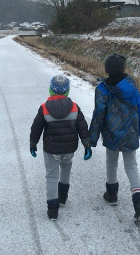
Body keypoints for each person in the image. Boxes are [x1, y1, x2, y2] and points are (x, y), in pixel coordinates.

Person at [89, 53, 140, 222]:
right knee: (131, 165)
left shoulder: (102, 89)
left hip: (111, 133)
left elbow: (99, 114)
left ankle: (111, 194)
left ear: (106, 70)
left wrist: (92, 137)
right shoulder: (131, 85)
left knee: (111, 162)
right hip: (131, 132)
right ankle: (139, 203)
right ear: (124, 69)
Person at [30, 74, 92, 220]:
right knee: (66, 167)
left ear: (51, 90)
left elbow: (36, 128)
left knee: (51, 176)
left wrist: (33, 143)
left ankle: (52, 209)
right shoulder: (75, 108)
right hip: (69, 149)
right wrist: (87, 145)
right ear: (67, 91)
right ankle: (63, 197)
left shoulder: (44, 108)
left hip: (51, 150)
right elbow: (83, 128)